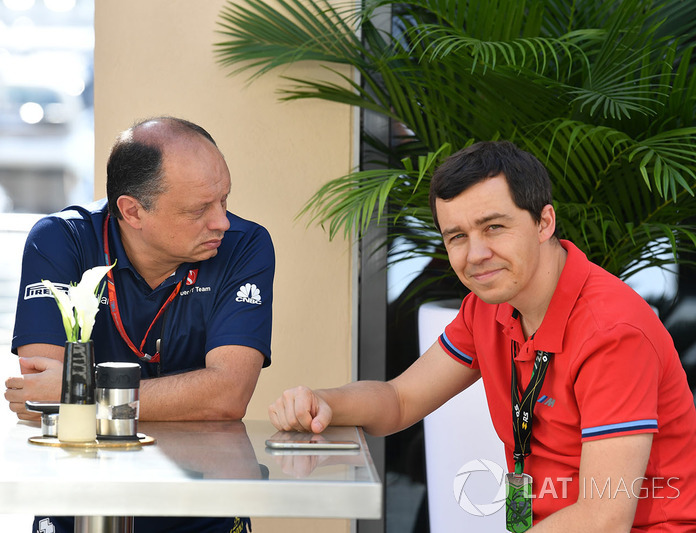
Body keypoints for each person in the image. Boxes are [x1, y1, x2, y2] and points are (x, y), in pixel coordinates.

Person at [269, 141, 696, 531]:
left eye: (493, 227)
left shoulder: (612, 332)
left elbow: (604, 517)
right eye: (457, 236)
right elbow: (400, 400)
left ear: (544, 221)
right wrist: (326, 402)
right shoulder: (489, 305)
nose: (475, 255)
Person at [4, 116, 275, 533]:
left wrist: (84, 393)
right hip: (78, 507)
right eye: (199, 209)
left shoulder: (245, 245)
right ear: (132, 211)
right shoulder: (60, 239)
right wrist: (183, 395)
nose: (221, 221)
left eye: (224, 199)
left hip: (204, 513)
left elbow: (228, 394)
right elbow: (44, 401)